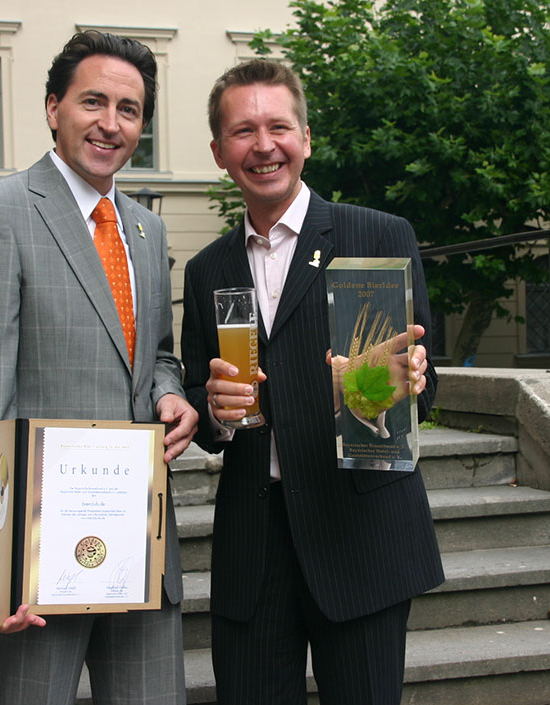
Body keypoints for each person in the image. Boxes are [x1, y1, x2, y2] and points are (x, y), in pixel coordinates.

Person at [0, 30, 198, 705]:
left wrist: (171, 392)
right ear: (54, 107)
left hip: (141, 548)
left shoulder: (148, 229)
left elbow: (158, 354)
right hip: (36, 552)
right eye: (93, 101)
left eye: (129, 108)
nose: (110, 123)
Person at [180, 59, 444, 704]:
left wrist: (407, 379)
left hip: (359, 533)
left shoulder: (377, 236)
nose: (263, 145)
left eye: (279, 126)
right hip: (254, 545)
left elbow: (423, 384)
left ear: (306, 138)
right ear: (219, 152)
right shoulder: (206, 267)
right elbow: (199, 401)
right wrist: (214, 410)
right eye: (243, 131)